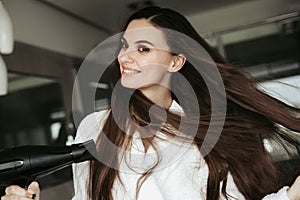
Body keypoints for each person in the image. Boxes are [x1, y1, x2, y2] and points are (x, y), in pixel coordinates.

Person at [2, 6, 300, 200]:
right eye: (124, 46)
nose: (124, 57)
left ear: (176, 61)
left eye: (143, 48)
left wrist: (292, 195)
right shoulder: (94, 127)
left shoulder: (206, 132)